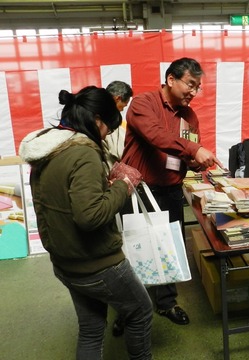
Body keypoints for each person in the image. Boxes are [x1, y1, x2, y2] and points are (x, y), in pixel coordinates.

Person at [19, 86, 153, 359]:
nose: (105, 136)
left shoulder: (48, 146)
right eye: (108, 129)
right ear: (98, 121)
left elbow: (67, 200)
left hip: (65, 262)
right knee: (140, 311)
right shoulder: (84, 152)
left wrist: (105, 183)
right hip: (99, 266)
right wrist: (122, 185)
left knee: (91, 329)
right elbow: (89, 216)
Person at [121, 57, 223, 326]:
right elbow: (155, 136)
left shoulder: (189, 116)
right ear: (171, 79)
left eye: (197, 87)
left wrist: (195, 159)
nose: (194, 91)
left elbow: (187, 147)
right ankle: (128, 310)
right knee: (135, 249)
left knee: (168, 249)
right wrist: (193, 150)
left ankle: (166, 303)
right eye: (190, 84)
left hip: (170, 190)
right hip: (139, 191)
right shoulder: (144, 103)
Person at [104, 80, 133, 168]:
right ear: (118, 99)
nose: (122, 110)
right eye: (123, 105)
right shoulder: (106, 119)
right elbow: (118, 152)